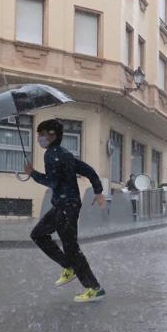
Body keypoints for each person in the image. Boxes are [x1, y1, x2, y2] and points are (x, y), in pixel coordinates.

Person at [24, 119, 107, 303]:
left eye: (41, 134)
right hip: (64, 205)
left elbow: (51, 182)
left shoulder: (53, 155)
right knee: (38, 234)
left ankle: (94, 288)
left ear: (52, 135)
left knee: (70, 247)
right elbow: (90, 171)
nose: (39, 138)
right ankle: (68, 266)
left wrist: (32, 174)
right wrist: (98, 191)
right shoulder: (65, 154)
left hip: (65, 207)